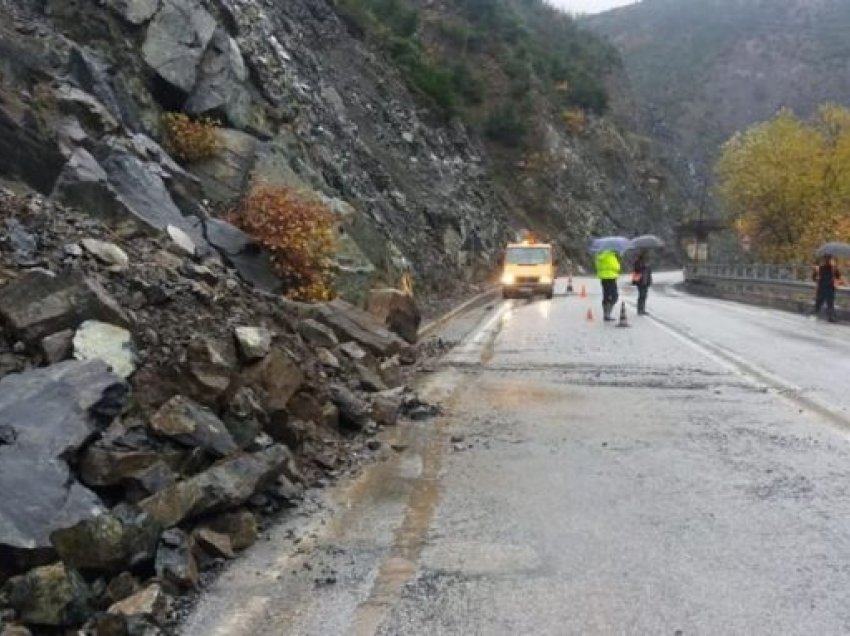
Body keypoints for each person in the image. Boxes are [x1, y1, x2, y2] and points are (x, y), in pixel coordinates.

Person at [812, 255, 842, 322]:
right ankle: (815, 314)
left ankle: (831, 317)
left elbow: (839, 277)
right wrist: (816, 277)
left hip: (830, 288)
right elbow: (814, 278)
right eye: (827, 259)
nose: (828, 261)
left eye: (830, 259)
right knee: (819, 302)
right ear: (825, 260)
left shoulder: (834, 268)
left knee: (830, 303)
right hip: (821, 288)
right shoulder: (820, 268)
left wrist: (836, 281)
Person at [595, 248, 621, 321]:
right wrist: (618, 265)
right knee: (615, 296)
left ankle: (605, 314)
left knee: (606, 296)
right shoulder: (610, 256)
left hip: (603, 278)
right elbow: (616, 267)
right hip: (611, 278)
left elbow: (598, 267)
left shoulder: (599, 256)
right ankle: (608, 314)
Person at [632, 251, 653, 315]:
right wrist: (643, 266)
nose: (646, 258)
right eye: (645, 256)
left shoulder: (647, 263)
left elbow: (649, 273)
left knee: (644, 296)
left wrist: (650, 281)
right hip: (640, 281)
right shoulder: (637, 262)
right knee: (641, 295)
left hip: (646, 281)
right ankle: (639, 310)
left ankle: (643, 309)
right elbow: (637, 269)